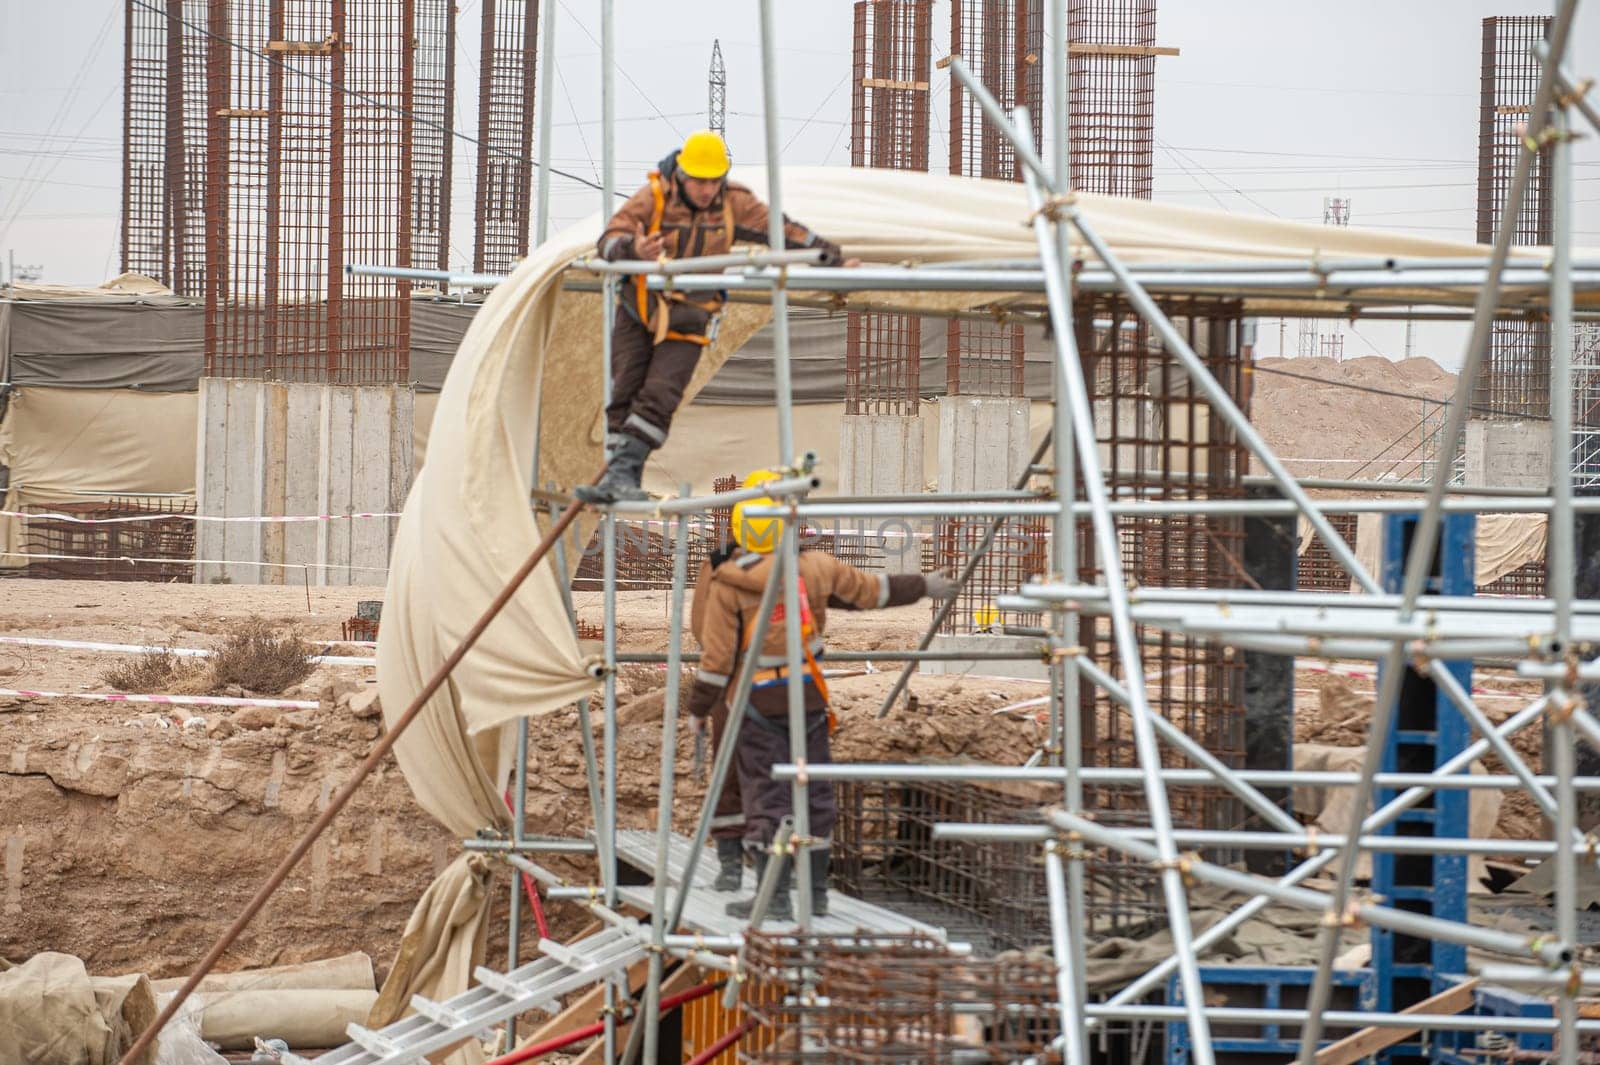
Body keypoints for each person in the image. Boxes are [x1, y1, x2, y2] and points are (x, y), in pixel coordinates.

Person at [685, 470, 954, 921]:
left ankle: (774, 897)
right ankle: (817, 892)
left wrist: (697, 709)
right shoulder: (815, 568)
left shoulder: (728, 581)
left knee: (766, 795)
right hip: (808, 698)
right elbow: (873, 592)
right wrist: (925, 585)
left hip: (756, 702)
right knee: (814, 792)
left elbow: (715, 658)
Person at [576, 130, 849, 504]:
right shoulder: (654, 197)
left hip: (691, 312)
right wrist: (633, 248)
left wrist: (830, 256)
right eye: (698, 181)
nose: (706, 190)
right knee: (624, 391)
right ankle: (619, 477)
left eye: (712, 181)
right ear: (682, 175)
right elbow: (609, 240)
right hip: (639, 307)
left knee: (661, 393)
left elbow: (782, 230)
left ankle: (622, 476)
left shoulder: (732, 203)